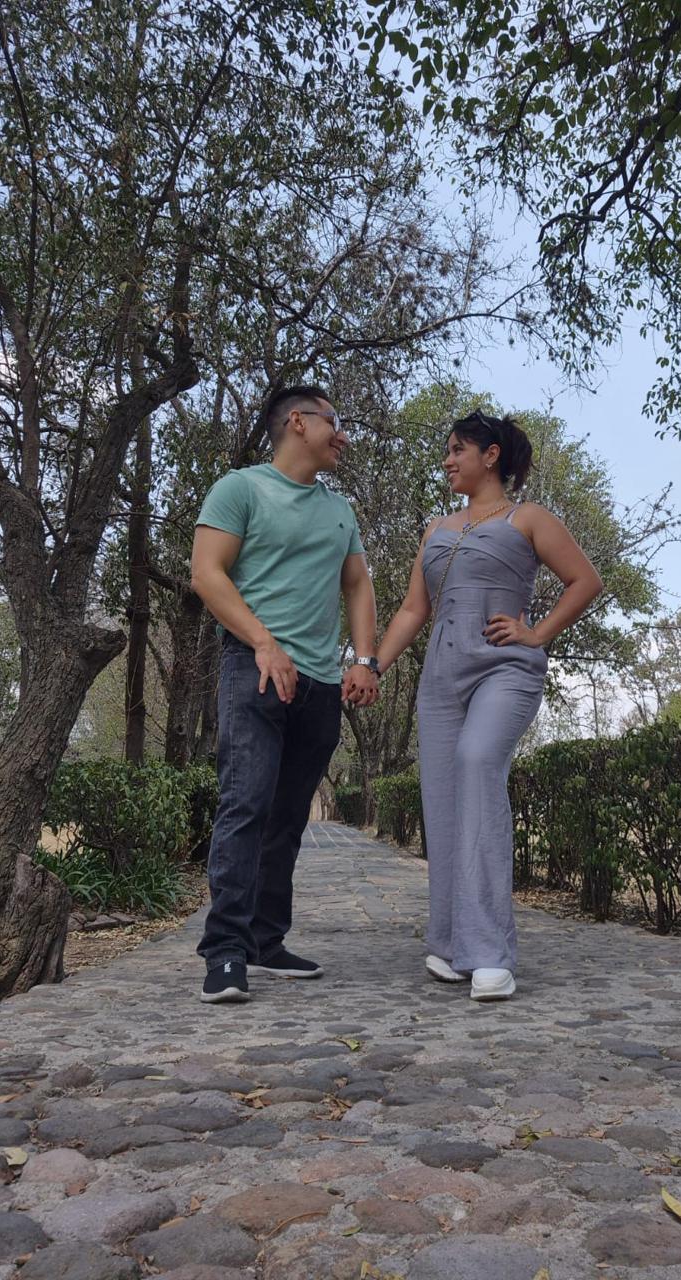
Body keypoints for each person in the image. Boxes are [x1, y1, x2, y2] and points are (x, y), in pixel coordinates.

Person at [376, 409, 603, 1000]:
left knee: (478, 762)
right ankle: (453, 945)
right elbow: (413, 609)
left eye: (458, 449)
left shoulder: (527, 518)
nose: (448, 460)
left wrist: (537, 633)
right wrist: (371, 665)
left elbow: (585, 580)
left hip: (505, 668)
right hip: (441, 679)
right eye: (447, 451)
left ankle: (490, 953)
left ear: (491, 455)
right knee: (443, 799)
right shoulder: (436, 528)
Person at [191, 384, 379, 1004]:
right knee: (245, 805)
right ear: (297, 422)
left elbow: (357, 585)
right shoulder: (240, 489)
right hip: (254, 669)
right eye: (334, 421)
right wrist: (264, 643)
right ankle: (225, 951)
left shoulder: (339, 509)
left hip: (320, 684)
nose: (342, 435)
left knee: (288, 818)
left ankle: (265, 941)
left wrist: (365, 660)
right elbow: (207, 574)